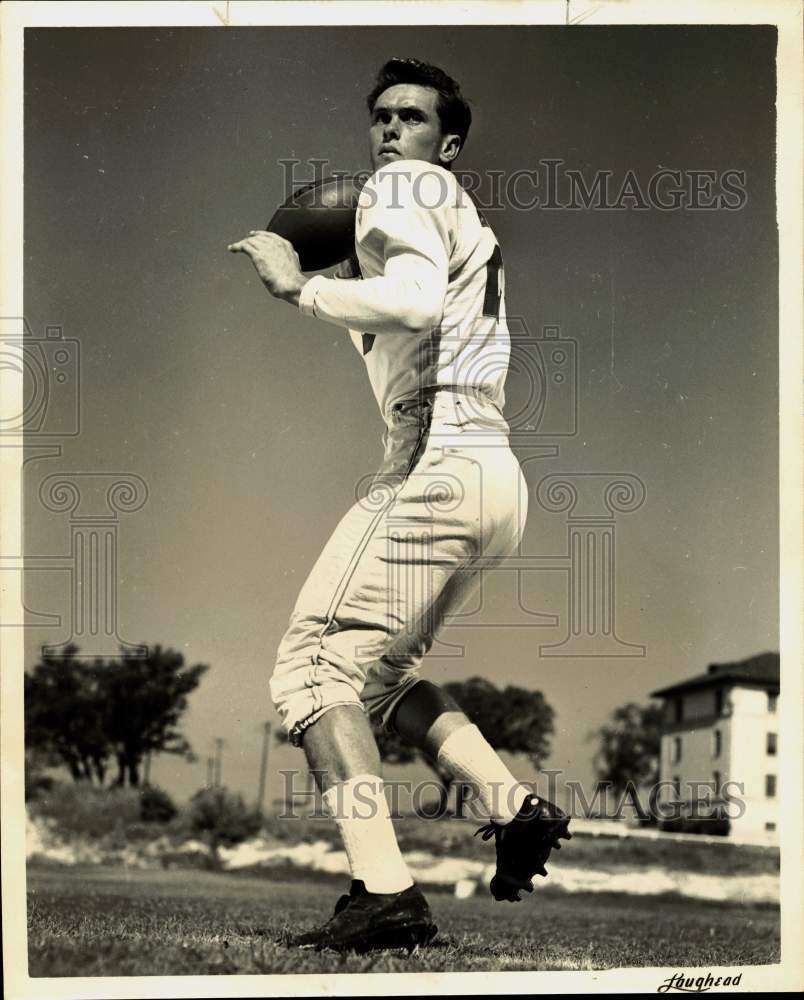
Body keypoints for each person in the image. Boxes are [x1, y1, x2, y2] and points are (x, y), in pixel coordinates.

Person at [228, 57, 571, 954]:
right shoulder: (450, 217)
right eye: (380, 116)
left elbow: (415, 303)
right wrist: (331, 270)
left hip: (437, 462)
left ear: (445, 143)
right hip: (495, 479)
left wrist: (293, 284)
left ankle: (383, 892)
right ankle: (512, 805)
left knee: (311, 670)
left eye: (412, 117)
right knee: (379, 684)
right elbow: (410, 301)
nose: (389, 131)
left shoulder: (406, 184)